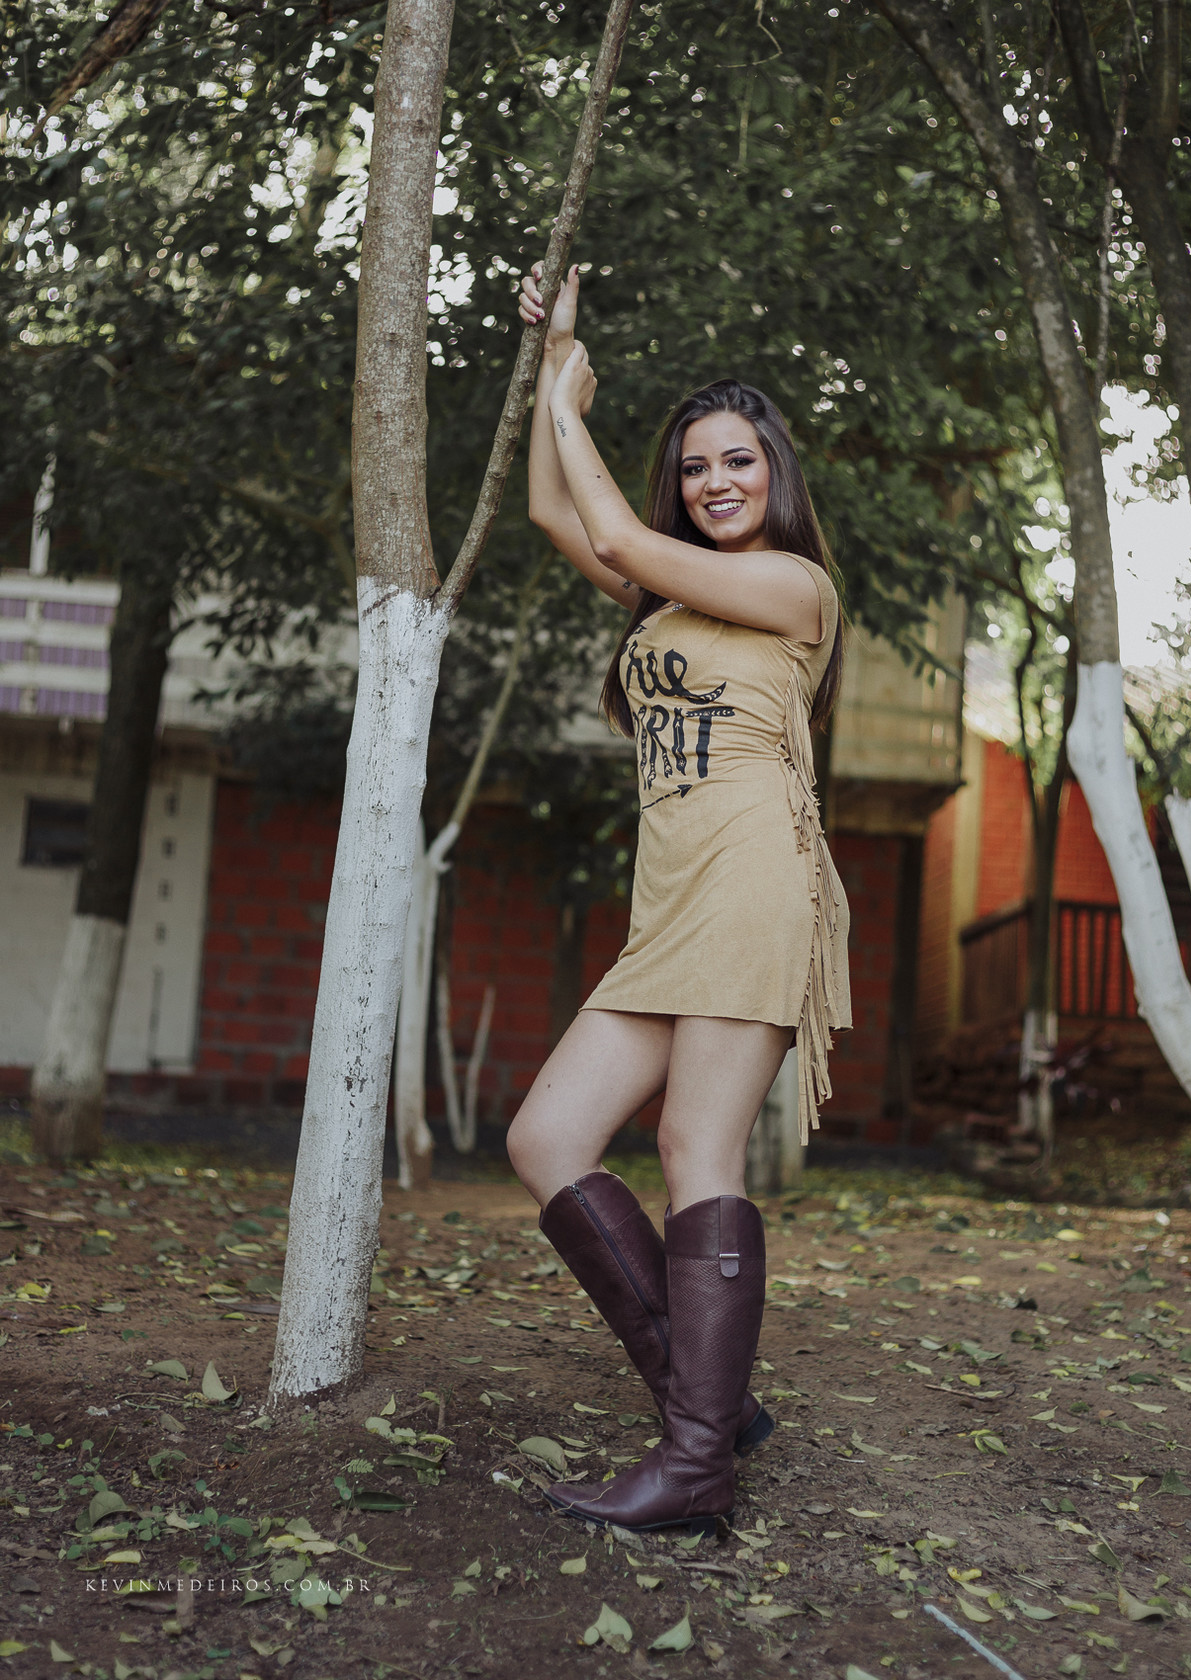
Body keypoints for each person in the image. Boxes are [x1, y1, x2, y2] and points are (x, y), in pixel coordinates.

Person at [504, 263, 852, 1535]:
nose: (717, 482)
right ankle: (715, 1412)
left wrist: (576, 409)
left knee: (693, 1151)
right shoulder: (666, 591)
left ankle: (697, 1462)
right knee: (547, 1140)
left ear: (776, 477)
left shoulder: (794, 590)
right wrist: (558, 367)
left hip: (759, 881)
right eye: (698, 465)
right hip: (670, 906)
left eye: (739, 463)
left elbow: (608, 530)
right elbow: (564, 521)